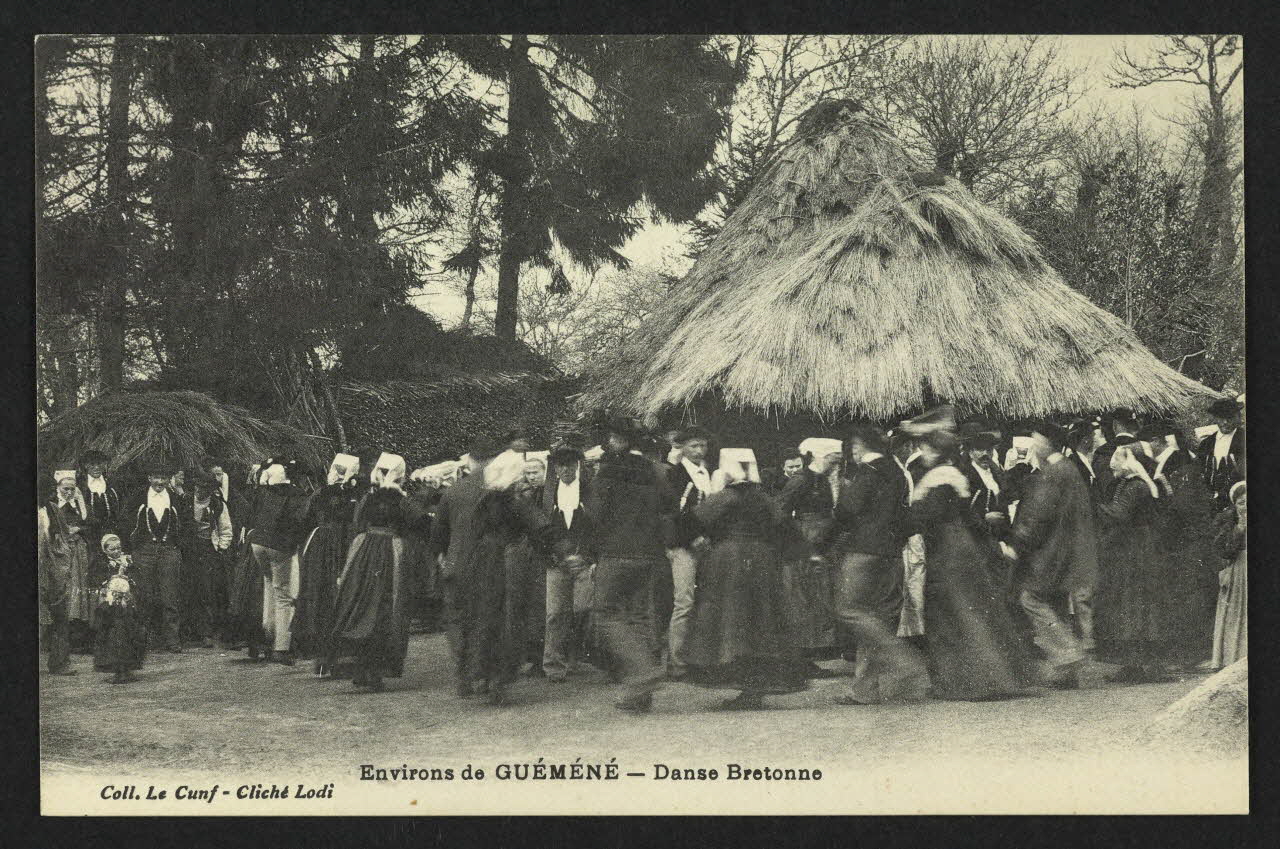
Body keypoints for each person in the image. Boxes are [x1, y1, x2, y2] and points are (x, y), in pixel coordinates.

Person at [907, 428, 1028, 700]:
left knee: (953, 616)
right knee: (969, 613)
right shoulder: (953, 475)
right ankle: (985, 678)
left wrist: (905, 519)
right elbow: (972, 518)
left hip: (948, 552)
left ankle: (970, 681)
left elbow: (930, 517)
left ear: (936, 452)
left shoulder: (939, 479)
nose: (922, 453)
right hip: (962, 550)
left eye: (926, 448)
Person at [684, 449, 807, 709]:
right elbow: (787, 529)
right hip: (761, 561)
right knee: (759, 619)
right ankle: (753, 688)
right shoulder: (763, 499)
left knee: (729, 619)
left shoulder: (726, 497)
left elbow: (693, 522)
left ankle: (739, 678)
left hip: (728, 560)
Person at [829, 426, 927, 705]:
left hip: (863, 551)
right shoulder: (897, 472)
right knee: (877, 619)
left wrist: (840, 490)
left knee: (849, 610)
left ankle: (902, 659)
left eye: (854, 446)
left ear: (860, 445)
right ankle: (865, 690)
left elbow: (846, 511)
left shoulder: (867, 472)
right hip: (892, 554)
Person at [587, 417, 673, 713]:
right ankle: (640, 696)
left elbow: (595, 515)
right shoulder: (657, 471)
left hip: (616, 553)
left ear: (622, 441)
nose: (609, 442)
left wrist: (585, 553)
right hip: (649, 555)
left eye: (612, 437)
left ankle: (644, 674)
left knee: (606, 615)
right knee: (638, 618)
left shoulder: (607, 471)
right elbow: (669, 508)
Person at [1007, 422, 1098, 689]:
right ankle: (1066, 675)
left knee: (1030, 598)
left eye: (1036, 441)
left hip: (1049, 552)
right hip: (1069, 550)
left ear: (1047, 444)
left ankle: (1067, 652)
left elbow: (1037, 515)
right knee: (1055, 603)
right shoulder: (1070, 470)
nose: (1034, 447)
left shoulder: (1052, 474)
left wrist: (1019, 544)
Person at [1092, 442, 1179, 683]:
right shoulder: (1131, 484)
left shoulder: (1136, 486)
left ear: (1131, 461)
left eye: (1118, 458)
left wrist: (1092, 508)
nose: (1113, 463)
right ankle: (1135, 665)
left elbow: (1119, 514)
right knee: (1132, 605)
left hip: (1137, 551)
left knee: (1134, 604)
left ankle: (1140, 666)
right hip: (1135, 549)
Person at [330, 480, 410, 693]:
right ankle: (374, 671)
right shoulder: (398, 537)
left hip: (364, 554)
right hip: (388, 556)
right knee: (383, 613)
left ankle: (359, 668)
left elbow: (357, 523)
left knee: (357, 607)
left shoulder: (361, 534)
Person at [430, 440, 494, 698]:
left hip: (456, 565)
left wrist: (441, 557)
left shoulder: (453, 491)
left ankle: (463, 675)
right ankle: (482, 674)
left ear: (469, 462)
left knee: (457, 621)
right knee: (484, 619)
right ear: (490, 462)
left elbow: (438, 532)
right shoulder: (495, 491)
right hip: (487, 565)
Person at [776, 437, 843, 674]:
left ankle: (812, 654)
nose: (836, 464)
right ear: (821, 457)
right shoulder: (800, 481)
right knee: (804, 598)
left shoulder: (823, 480)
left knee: (819, 598)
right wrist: (799, 540)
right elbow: (780, 511)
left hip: (824, 542)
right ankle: (802, 657)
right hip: (806, 542)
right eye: (833, 459)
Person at [293, 453, 362, 676]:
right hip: (341, 547)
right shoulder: (353, 497)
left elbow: (303, 521)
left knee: (321, 600)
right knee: (338, 599)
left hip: (319, 549)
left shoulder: (319, 495)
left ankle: (324, 659)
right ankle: (337, 658)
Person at [660, 426, 714, 679]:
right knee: (684, 602)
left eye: (702, 446)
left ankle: (700, 659)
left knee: (705, 601)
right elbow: (675, 514)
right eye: (694, 446)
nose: (699, 450)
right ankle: (677, 662)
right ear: (682, 448)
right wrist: (693, 538)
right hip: (683, 545)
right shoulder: (675, 476)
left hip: (706, 545)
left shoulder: (709, 473)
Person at [542, 446, 597, 682]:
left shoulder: (589, 492)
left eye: (570, 464)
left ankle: (574, 656)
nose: (565, 469)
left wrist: (586, 556)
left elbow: (598, 527)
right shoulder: (546, 495)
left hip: (584, 562)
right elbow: (541, 530)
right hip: (557, 563)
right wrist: (557, 556)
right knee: (555, 613)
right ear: (554, 468)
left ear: (578, 466)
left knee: (582, 610)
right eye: (560, 465)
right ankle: (553, 665)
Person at [249, 459, 311, 665]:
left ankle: (267, 633)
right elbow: (300, 521)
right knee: (283, 594)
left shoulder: (263, 492)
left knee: (269, 587)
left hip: (257, 543)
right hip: (279, 545)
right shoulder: (297, 496)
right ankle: (281, 646)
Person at [39, 470, 92, 674]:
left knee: (60, 617)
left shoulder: (53, 510)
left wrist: (61, 570)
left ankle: (60, 663)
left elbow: (61, 542)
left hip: (51, 570)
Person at [128, 464, 185, 653]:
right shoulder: (138, 497)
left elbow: (185, 525)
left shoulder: (176, 498)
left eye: (164, 478)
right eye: (156, 477)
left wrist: (178, 546)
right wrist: (132, 548)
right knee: (144, 595)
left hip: (169, 550)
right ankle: (143, 639)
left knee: (170, 596)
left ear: (169, 479)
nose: (160, 482)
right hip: (144, 551)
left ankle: (172, 639)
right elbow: (125, 521)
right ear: (149, 478)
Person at [181, 471, 233, 648]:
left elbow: (226, 529)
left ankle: (207, 632)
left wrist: (220, 548)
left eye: (205, 488)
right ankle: (189, 630)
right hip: (188, 548)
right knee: (188, 588)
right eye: (198, 487)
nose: (200, 491)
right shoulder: (185, 502)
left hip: (208, 549)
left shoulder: (218, 505)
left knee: (207, 590)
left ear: (211, 490)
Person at [92, 534, 146, 684]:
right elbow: (95, 579)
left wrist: (128, 580)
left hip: (127, 604)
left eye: (119, 548)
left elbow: (137, 577)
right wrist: (110, 582)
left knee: (129, 631)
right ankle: (116, 669)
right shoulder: (102, 564)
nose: (116, 551)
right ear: (105, 550)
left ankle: (127, 668)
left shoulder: (127, 562)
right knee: (112, 633)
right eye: (112, 549)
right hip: (109, 606)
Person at [1210, 481, 1247, 669]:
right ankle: (1234, 656)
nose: (1246, 506)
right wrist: (1240, 528)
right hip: (1240, 570)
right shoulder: (1229, 522)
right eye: (1241, 502)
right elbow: (1224, 551)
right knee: (1236, 613)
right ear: (1235, 504)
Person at [1196, 398, 1245, 508]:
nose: (1225, 422)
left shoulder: (1244, 439)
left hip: (1237, 501)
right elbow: (1198, 471)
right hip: (1209, 503)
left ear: (1238, 417)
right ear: (1215, 418)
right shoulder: (1206, 444)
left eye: (1229, 418)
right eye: (1221, 418)